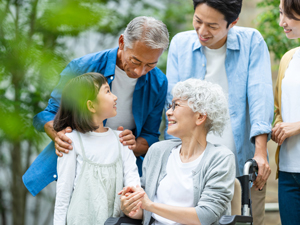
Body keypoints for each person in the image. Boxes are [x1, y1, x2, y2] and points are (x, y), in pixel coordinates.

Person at [23, 16, 169, 196]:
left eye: (150, 65)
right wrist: (57, 134)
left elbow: (150, 136)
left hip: (122, 170)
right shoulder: (83, 67)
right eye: (135, 61)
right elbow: (49, 114)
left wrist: (134, 145)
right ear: (122, 42)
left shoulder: (159, 82)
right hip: (80, 167)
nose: (139, 71)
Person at [164, 0, 274, 224]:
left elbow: (259, 96)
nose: (202, 31)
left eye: (212, 26)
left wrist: (260, 152)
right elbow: (172, 103)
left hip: (240, 159)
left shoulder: (252, 41)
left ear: (232, 23)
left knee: (246, 218)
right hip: (192, 163)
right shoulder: (180, 44)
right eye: (198, 21)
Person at [120, 79, 236, 225]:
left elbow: (206, 215)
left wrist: (149, 205)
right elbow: (145, 210)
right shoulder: (158, 151)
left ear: (200, 116)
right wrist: (130, 205)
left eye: (176, 105)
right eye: (170, 106)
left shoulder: (221, 158)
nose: (168, 112)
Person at [53, 72, 140, 225]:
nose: (115, 97)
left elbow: (133, 183)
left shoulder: (121, 139)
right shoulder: (72, 141)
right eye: (107, 91)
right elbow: (63, 193)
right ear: (91, 105)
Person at [272, 0, 300, 224]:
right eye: (281, 13)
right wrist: (278, 126)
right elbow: (280, 109)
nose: (282, 22)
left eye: (288, 15)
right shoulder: (288, 59)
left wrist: (298, 126)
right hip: (289, 173)